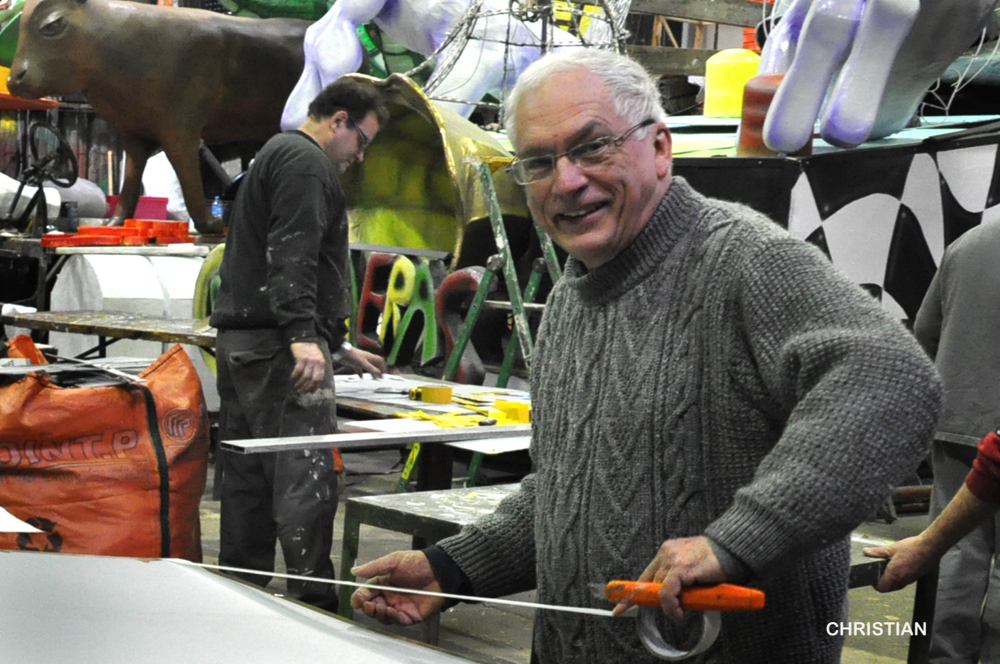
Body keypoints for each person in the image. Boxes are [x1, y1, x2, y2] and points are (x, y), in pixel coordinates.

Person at [349, 49, 942, 662]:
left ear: (659, 147)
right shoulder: (573, 302)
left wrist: (735, 543)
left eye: (592, 147)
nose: (567, 181)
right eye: (539, 162)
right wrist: (451, 569)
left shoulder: (745, 260)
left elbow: (893, 380)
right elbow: (571, 493)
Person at [210, 76, 390, 612]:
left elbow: (269, 258)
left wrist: (334, 344)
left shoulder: (275, 152)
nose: (359, 156)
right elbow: (293, 253)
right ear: (339, 121)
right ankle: (313, 606)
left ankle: (240, 594)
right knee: (302, 475)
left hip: (247, 344)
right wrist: (302, 339)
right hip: (275, 350)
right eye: (362, 141)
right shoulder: (307, 162)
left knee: (247, 475)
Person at [899, 219, 1000, 663]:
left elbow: (925, 331)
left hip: (957, 418)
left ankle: (940, 656)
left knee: (952, 551)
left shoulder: (968, 242)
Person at [865, 428, 1000, 594]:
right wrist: (928, 546)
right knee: (955, 555)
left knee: (956, 554)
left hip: (960, 424)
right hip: (963, 427)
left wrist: (927, 546)